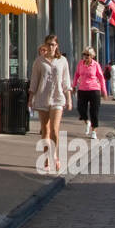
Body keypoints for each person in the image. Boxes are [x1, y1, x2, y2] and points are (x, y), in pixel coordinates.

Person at [29, 33, 72, 173]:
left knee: (54, 129)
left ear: (57, 45)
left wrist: (69, 99)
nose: (51, 47)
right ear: (45, 45)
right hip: (42, 98)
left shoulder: (63, 61)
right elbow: (34, 80)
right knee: (45, 130)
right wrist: (31, 98)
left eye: (53, 44)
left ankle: (55, 155)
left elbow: (66, 81)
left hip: (58, 98)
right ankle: (47, 157)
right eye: (48, 44)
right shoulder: (39, 61)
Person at [74, 48, 106, 139]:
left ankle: (94, 131)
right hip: (82, 89)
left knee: (94, 112)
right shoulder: (80, 64)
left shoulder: (96, 65)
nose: (86, 57)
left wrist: (104, 91)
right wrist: (74, 85)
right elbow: (76, 74)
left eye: (88, 55)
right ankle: (87, 121)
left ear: (92, 56)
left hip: (94, 90)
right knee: (81, 109)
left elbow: (101, 78)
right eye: (84, 54)